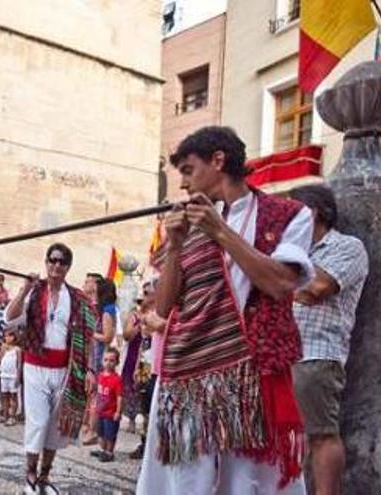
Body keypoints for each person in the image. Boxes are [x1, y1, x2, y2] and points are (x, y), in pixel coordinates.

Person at [138, 126, 314, 494]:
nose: (183, 185)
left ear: (218, 160)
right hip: (189, 373)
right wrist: (175, 245)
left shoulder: (288, 214)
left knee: (249, 483)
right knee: (187, 482)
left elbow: (281, 283)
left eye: (188, 170)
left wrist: (220, 232)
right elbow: (167, 304)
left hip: (253, 373)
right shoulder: (189, 224)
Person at [289, 184, 368, 495]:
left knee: (321, 434)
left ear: (312, 212)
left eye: (290, 212)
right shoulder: (294, 251)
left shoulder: (347, 247)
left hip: (316, 353)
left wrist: (279, 283)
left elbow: (318, 288)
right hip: (281, 355)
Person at [5, 242, 96, 495]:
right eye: (53, 260)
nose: (56, 265)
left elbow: (85, 337)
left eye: (62, 262)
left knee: (56, 427)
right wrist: (24, 289)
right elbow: (10, 319)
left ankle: (44, 477)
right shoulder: (34, 292)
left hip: (64, 371)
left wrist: (89, 369)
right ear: (46, 262)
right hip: (35, 367)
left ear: (68, 267)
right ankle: (30, 475)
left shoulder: (77, 299)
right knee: (38, 422)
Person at [121, 280, 165, 460]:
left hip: (157, 363)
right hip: (146, 363)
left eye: (147, 293)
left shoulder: (159, 313)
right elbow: (138, 340)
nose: (144, 297)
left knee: (152, 404)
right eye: (143, 293)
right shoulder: (142, 314)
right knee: (143, 404)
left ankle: (153, 444)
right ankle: (144, 441)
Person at [83, 277, 116, 445]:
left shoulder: (107, 311)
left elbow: (107, 336)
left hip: (101, 355)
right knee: (94, 394)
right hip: (96, 353)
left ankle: (93, 430)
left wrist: (90, 333)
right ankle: (90, 428)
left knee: (97, 395)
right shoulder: (106, 309)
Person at [91, 348, 123, 463]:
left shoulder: (117, 379)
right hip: (101, 411)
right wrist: (95, 403)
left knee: (110, 434)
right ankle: (102, 450)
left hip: (111, 413)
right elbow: (97, 392)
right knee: (101, 433)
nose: (108, 363)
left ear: (117, 362)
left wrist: (118, 412)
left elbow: (119, 397)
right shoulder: (100, 376)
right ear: (102, 361)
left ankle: (109, 452)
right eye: (105, 360)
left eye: (111, 360)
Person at [0, 328, 22, 426]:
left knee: (13, 396)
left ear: (14, 337)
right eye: (6, 336)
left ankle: (12, 416)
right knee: (4, 395)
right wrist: (2, 351)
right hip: (4, 374)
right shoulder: (4, 348)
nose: (7, 338)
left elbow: (19, 363)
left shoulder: (17, 350)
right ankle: (5, 415)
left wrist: (18, 376)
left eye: (9, 336)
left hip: (13, 375)